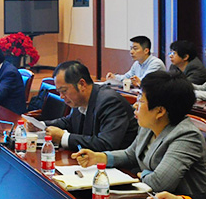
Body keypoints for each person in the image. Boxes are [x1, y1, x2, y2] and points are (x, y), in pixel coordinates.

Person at [72, 71, 206, 196]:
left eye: (141, 101)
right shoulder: (149, 125)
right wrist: (98, 157)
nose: (135, 106)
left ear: (160, 111)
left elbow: (159, 184)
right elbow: (131, 155)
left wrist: (142, 174)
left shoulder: (187, 136)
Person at [43, 61, 138, 151]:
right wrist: (41, 126)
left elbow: (106, 144)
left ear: (82, 84)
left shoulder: (110, 102)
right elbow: (69, 122)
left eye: (64, 91)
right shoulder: (80, 100)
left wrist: (63, 138)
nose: (61, 96)